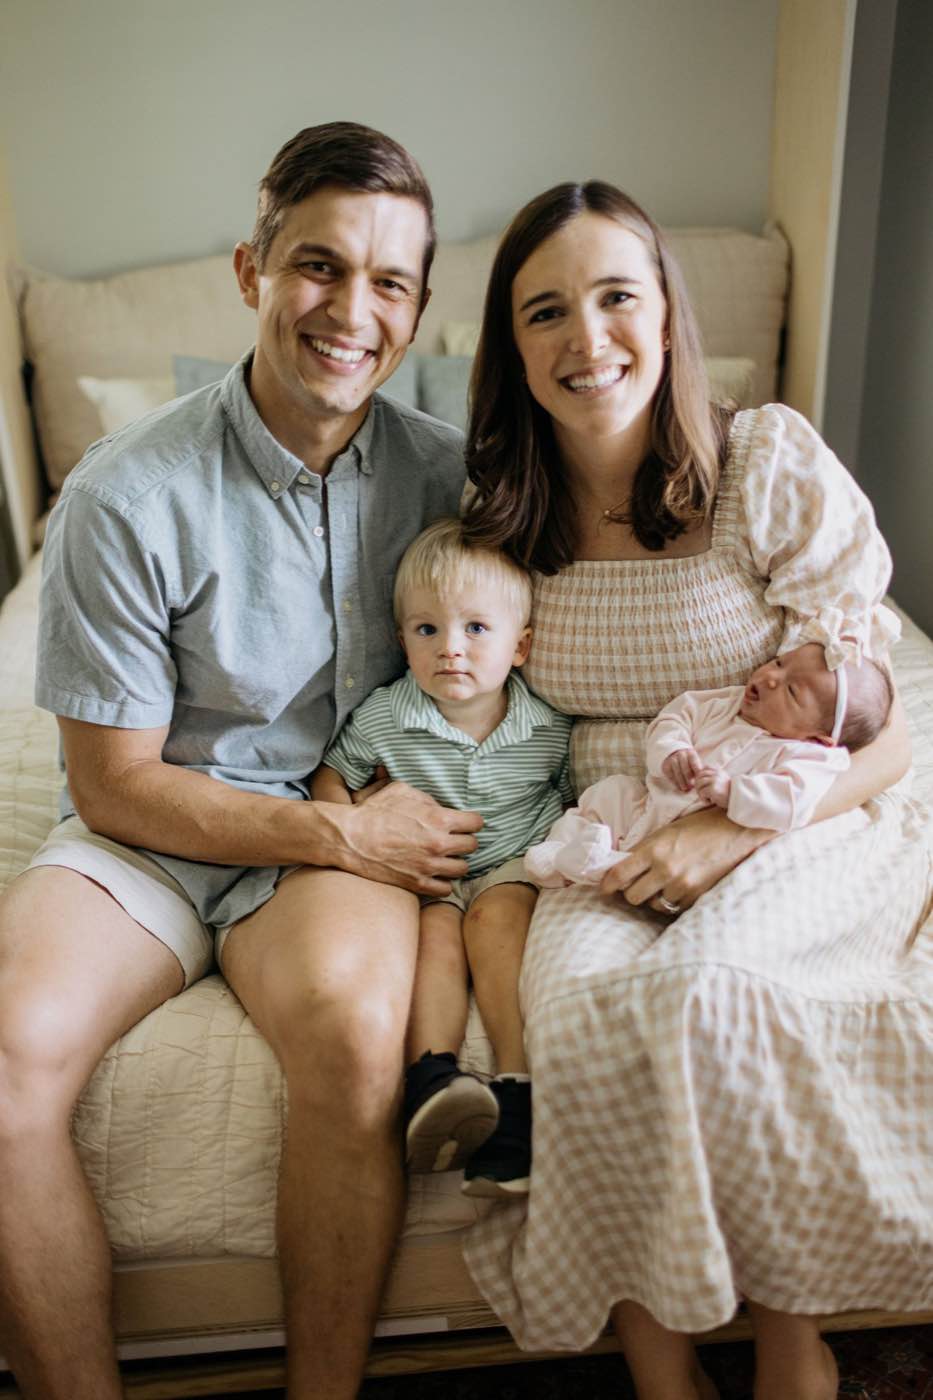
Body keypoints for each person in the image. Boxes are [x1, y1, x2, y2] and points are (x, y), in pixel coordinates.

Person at [0, 123, 479, 1400]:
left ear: (420, 308)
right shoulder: (121, 492)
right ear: (250, 271)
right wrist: (342, 836)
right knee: (4, 1066)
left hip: (320, 835)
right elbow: (113, 785)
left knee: (355, 1032)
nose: (350, 310)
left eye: (388, 282)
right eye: (318, 266)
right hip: (153, 835)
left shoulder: (452, 483)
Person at [458, 180, 933, 1400]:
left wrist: (728, 833)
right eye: (546, 312)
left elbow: (884, 737)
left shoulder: (760, 459)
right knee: (574, 1018)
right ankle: (660, 1366)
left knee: (706, 992)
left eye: (618, 296)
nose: (587, 338)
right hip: (609, 828)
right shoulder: (503, 517)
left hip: (786, 805)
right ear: (513, 349)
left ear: (667, 314)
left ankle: (791, 1340)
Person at [314, 517, 573, 1197]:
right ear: (401, 640)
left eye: (475, 629)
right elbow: (333, 778)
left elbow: (572, 798)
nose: (450, 649)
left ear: (520, 647)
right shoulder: (384, 716)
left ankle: (517, 1090)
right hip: (424, 877)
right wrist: (353, 829)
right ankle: (436, 1076)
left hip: (509, 862)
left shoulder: (546, 725)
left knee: (496, 924)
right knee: (431, 937)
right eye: (426, 630)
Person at [526, 643, 892, 888]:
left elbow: (791, 801)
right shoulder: (725, 703)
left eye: (792, 691)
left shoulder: (809, 758)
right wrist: (672, 750)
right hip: (648, 805)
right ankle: (558, 854)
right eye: (780, 663)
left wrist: (733, 793)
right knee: (609, 792)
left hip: (704, 842)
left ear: (819, 737)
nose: (769, 677)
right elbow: (675, 717)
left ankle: (601, 865)